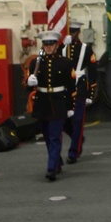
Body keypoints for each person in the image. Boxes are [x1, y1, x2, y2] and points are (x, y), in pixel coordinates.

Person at [25, 30, 73, 181]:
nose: (48, 47)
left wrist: (70, 107)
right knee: (47, 135)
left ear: (56, 45)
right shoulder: (36, 62)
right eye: (45, 44)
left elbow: (71, 86)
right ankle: (57, 160)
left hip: (59, 102)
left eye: (51, 44)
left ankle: (51, 168)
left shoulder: (65, 62)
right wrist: (29, 82)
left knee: (54, 136)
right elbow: (28, 87)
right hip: (42, 102)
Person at [61, 21, 98, 164]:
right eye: (69, 31)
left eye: (74, 31)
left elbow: (93, 73)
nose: (72, 34)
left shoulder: (86, 49)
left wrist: (91, 94)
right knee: (63, 121)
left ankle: (73, 152)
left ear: (78, 32)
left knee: (77, 121)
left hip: (79, 88)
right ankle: (78, 138)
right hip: (64, 89)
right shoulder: (61, 48)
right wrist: (61, 45)